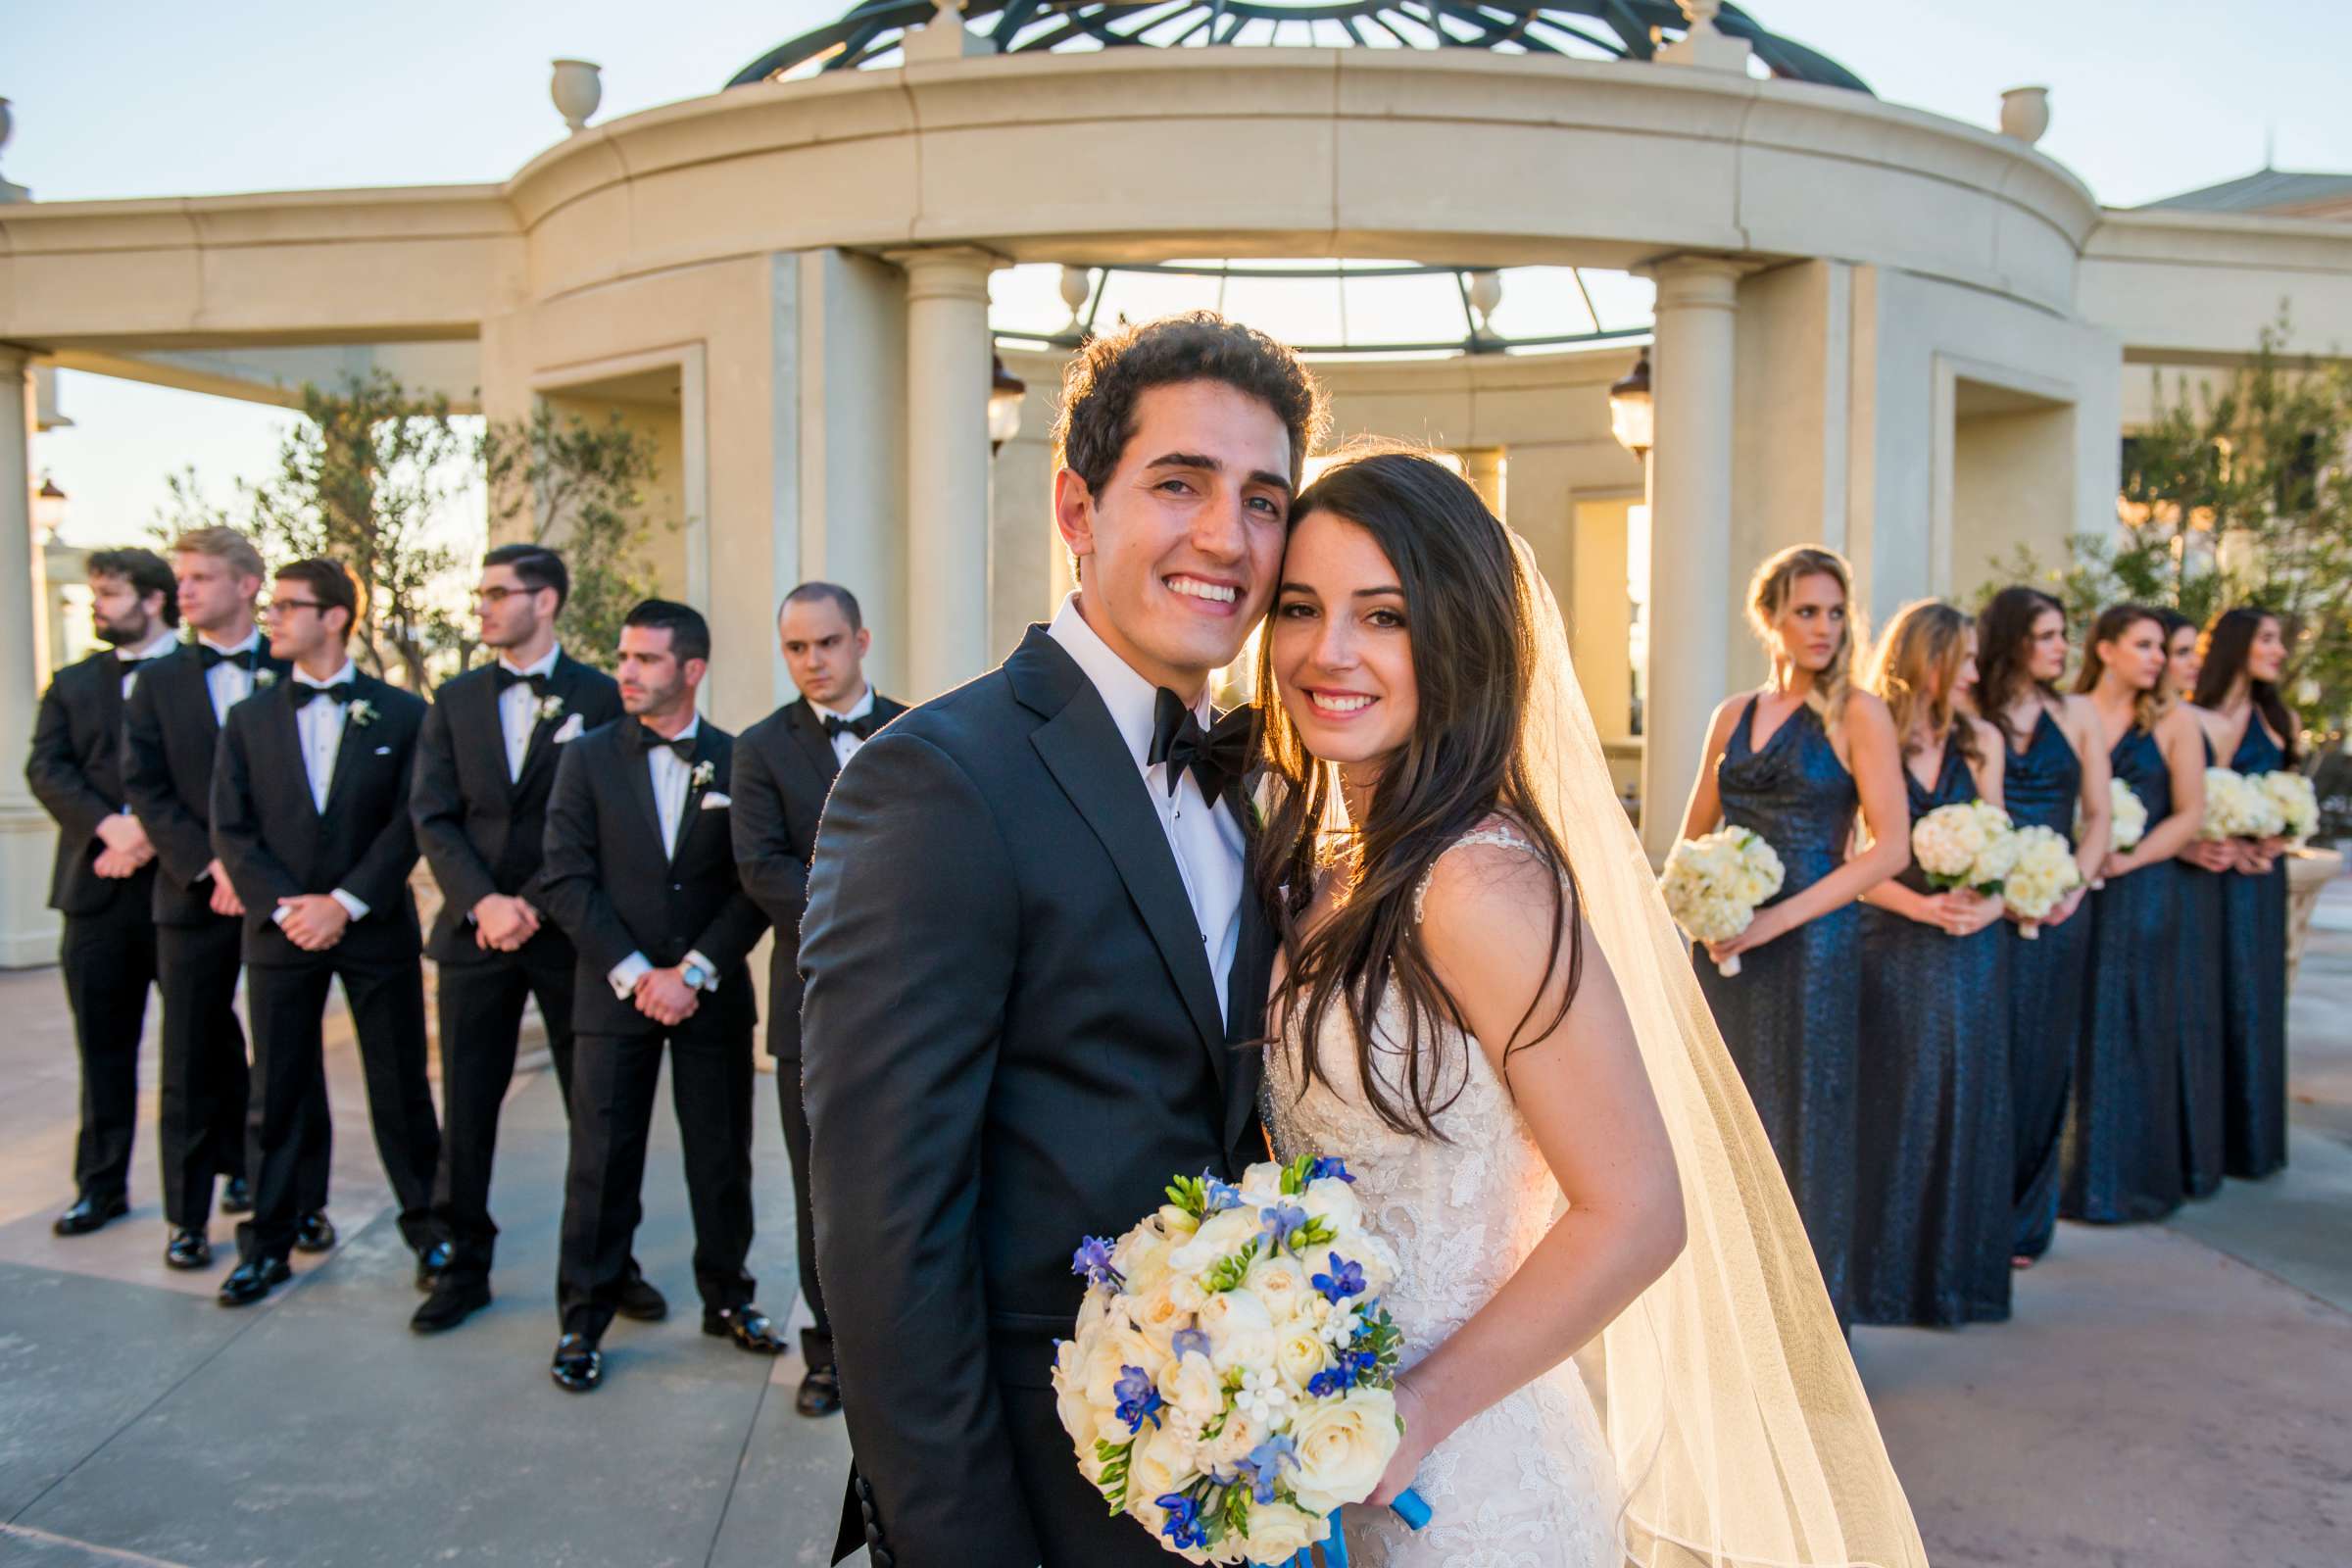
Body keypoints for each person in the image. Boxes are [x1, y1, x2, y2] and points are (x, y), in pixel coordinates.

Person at [1256, 450, 1926, 1567]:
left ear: (1459, 637)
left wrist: (1415, 1410)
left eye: (1384, 616)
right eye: (1301, 608)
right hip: (1321, 1463)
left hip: (1465, 1484)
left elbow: (1638, 1210)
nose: (1330, 652)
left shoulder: (1477, 881)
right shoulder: (1317, 859)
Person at [799, 313, 1319, 1567]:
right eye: (1179, 484)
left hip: (1231, 1478)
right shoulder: (935, 778)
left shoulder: (1269, 789)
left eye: (1263, 500)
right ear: (1077, 510)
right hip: (1028, 1492)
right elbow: (883, 1236)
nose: (1225, 538)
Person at [408, 544, 662, 1334]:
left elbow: (608, 819)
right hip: (474, 934)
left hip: (567, 940)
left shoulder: (602, 692)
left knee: (600, 1115)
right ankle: (461, 1263)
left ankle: (607, 1264)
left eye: (496, 593)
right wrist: (484, 902)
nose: (480, 607)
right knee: (469, 1108)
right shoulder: (452, 701)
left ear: (544, 600)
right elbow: (433, 813)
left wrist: (532, 903)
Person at [540, 599, 776, 1393]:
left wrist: (696, 972)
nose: (626, 673)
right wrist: (639, 974)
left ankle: (728, 1299)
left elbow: (754, 884)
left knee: (721, 1158)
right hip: (614, 996)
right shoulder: (585, 758)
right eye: (624, 658)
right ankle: (583, 1318)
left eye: (644, 659)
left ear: (692, 669)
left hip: (710, 994)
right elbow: (565, 878)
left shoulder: (741, 759)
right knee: (601, 1164)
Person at [1676, 545, 1906, 1321]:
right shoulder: (1732, 716)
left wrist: (1774, 918)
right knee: (1727, 1123)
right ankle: (1733, 1321)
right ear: (1768, 618)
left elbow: (1890, 849)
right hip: (1725, 947)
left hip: (1811, 948)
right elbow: (1692, 838)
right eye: (1807, 611)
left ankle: (1808, 1333)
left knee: (1804, 1124)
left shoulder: (1858, 712)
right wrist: (1695, 914)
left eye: (1837, 613)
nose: (1826, 628)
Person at [210, 559, 442, 1307]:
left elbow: (412, 820)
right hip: (280, 933)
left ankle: (433, 1234)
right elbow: (231, 827)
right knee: (274, 1091)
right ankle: (269, 1243)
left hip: (373, 927)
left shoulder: (404, 714)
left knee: (401, 1085)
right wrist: (288, 905)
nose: (270, 617)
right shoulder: (247, 720)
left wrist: (345, 901)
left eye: (286, 606)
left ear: (335, 616)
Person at [123, 528, 332, 1269]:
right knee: (188, 1055)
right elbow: (144, 786)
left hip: (284, 898)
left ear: (248, 586)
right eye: (180, 578)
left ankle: (304, 1203)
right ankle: (188, 1217)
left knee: (291, 1054)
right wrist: (207, 866)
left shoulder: (299, 671)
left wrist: (262, 881)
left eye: (201, 578)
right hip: (193, 893)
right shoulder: (157, 680)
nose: (183, 591)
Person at [730, 581, 906, 1417]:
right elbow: (761, 867)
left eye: (825, 644)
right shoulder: (760, 748)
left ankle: (904, 1345)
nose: (811, 663)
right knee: (817, 1191)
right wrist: (868, 920)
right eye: (795, 648)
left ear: (861, 641)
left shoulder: (916, 728)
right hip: (807, 1006)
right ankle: (827, 1357)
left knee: (909, 1176)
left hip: (915, 1001)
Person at [1850, 602, 2013, 1327]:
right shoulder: (1866, 726)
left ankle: (1950, 1278)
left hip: (1969, 944)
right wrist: (1918, 908)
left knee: (1961, 1095)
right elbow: (1851, 853)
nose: (1977, 674)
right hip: (1889, 937)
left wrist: (1989, 902)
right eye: (1967, 659)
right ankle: (1883, 1280)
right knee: (1897, 1096)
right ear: (1929, 661)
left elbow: (1998, 839)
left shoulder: (1981, 741)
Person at [25, 548, 177, 1239]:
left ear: (152, 599)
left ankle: (233, 1165)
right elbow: (47, 768)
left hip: (184, 890)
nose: (97, 606)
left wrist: (150, 833)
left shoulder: (202, 675)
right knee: (103, 1048)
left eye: (111, 594)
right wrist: (111, 829)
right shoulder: (71, 682)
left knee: (204, 1042)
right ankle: (101, 1185)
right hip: (95, 891)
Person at [1974, 586, 2110, 1266]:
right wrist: (1999, 888)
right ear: (2013, 641)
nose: (2063, 648)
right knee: (1987, 1059)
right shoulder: (1972, 713)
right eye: (2049, 635)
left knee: (2042, 1061)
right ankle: (1972, 1215)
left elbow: (2100, 818)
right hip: (1986, 913)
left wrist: (2070, 888)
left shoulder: (2079, 714)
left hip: (2059, 912)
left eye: (2064, 634)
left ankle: (2026, 1223)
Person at [2062, 606, 2204, 1225]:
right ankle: (2067, 1181)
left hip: (2143, 889)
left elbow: (2190, 813)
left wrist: (2127, 859)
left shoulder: (2172, 722)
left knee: (2136, 1023)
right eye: (2144, 645)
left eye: (2161, 648)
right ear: (2107, 649)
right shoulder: (2070, 711)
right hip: (2072, 886)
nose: (2157, 658)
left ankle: (2130, 1181)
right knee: (2076, 1022)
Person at [2192, 607, 2296, 1181]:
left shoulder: (2280, 720)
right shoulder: (2188, 718)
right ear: (2237, 645)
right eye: (2268, 639)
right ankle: (2202, 1139)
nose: (2279, 651)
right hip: (2202, 876)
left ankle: (2249, 1140)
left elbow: (2292, 801)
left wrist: (2276, 841)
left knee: (2253, 997)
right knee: (2202, 998)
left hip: (2257, 880)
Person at [2160, 607, 2229, 1198]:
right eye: (2172, 650)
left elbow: (2200, 804)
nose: (2178, 663)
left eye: (2184, 652)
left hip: (2177, 882)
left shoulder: (2185, 720)